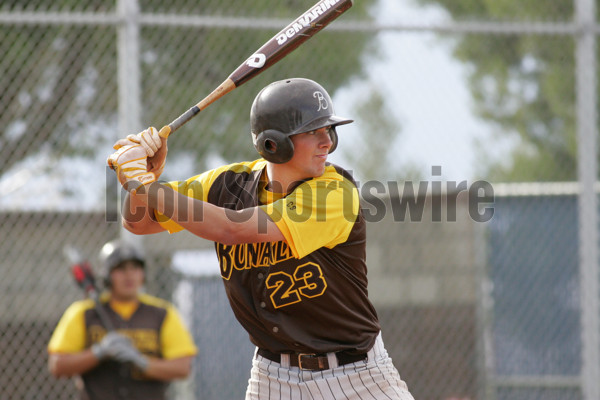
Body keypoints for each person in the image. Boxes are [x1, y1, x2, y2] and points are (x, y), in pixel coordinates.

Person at [108, 77, 415, 400]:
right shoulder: (225, 185)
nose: (327, 141)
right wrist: (146, 179)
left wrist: (144, 186)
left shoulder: (335, 191)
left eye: (329, 130)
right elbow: (139, 222)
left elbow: (234, 229)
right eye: (313, 131)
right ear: (273, 143)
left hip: (355, 375)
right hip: (272, 377)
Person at [47, 239, 198, 400]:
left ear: (143, 274)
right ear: (106, 275)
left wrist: (142, 362)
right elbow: (58, 365)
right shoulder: (84, 313)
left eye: (135, 268)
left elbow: (183, 368)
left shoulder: (163, 313)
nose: (129, 275)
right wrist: (99, 352)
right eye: (120, 269)